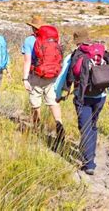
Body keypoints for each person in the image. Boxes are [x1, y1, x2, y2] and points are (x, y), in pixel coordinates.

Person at [63, 30, 109, 175]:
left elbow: (64, 75)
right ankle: (90, 155)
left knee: (85, 127)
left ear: (77, 41)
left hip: (82, 97)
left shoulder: (75, 55)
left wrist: (59, 94)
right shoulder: (100, 54)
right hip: (100, 96)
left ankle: (89, 163)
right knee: (92, 126)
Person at [22, 15, 65, 149]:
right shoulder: (53, 38)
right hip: (52, 75)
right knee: (53, 102)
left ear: (33, 27)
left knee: (35, 103)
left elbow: (27, 61)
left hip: (36, 76)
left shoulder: (29, 40)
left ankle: (37, 128)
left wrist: (24, 78)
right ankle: (59, 125)